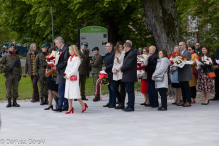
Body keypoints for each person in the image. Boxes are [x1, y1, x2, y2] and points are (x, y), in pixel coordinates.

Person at [64, 45, 88, 114]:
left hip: (73, 77)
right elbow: (67, 67)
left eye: (69, 50)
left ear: (73, 50)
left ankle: (83, 105)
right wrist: (65, 74)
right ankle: (70, 108)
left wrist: (68, 75)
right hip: (68, 77)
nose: (68, 51)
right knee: (68, 93)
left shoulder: (77, 58)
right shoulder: (70, 58)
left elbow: (75, 69)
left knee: (75, 92)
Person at [0, 42, 22, 107]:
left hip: (16, 75)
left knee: (15, 88)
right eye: (11, 47)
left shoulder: (16, 56)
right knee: (8, 88)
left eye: (13, 47)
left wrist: (20, 75)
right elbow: (0, 63)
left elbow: (19, 67)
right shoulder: (6, 56)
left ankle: (14, 102)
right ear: (9, 48)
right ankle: (9, 102)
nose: (12, 48)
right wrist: (5, 67)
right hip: (9, 75)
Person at [53, 37, 70, 112]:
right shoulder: (60, 50)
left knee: (61, 89)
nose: (56, 45)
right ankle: (64, 105)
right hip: (60, 72)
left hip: (64, 72)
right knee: (62, 88)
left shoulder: (65, 49)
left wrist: (57, 66)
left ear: (60, 43)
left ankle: (61, 106)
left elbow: (66, 61)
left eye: (56, 43)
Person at [120, 42, 137, 112]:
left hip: (129, 75)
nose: (123, 48)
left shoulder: (131, 54)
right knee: (129, 91)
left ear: (126, 47)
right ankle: (129, 105)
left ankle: (131, 106)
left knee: (130, 91)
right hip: (127, 75)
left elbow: (128, 65)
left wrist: (121, 69)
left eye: (124, 47)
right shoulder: (128, 53)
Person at [177, 42, 193, 107]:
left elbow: (187, 62)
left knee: (187, 87)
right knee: (182, 88)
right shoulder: (180, 53)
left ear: (184, 45)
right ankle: (184, 100)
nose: (179, 46)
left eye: (180, 45)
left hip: (185, 72)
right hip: (181, 72)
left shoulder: (187, 53)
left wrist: (179, 64)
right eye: (179, 45)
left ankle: (189, 101)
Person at [112, 41, 126, 109]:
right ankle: (120, 101)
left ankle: (122, 103)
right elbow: (114, 63)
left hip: (121, 73)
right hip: (115, 74)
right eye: (119, 47)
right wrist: (113, 69)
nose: (120, 48)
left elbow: (122, 63)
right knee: (115, 88)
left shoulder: (124, 53)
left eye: (121, 47)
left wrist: (116, 69)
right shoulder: (116, 54)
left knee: (122, 89)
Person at [102, 42, 116, 108]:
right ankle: (110, 102)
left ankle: (113, 102)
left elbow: (113, 64)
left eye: (107, 46)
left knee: (112, 88)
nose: (106, 47)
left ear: (111, 47)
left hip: (111, 73)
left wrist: (106, 67)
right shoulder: (107, 54)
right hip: (107, 73)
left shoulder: (113, 54)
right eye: (105, 46)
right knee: (109, 89)